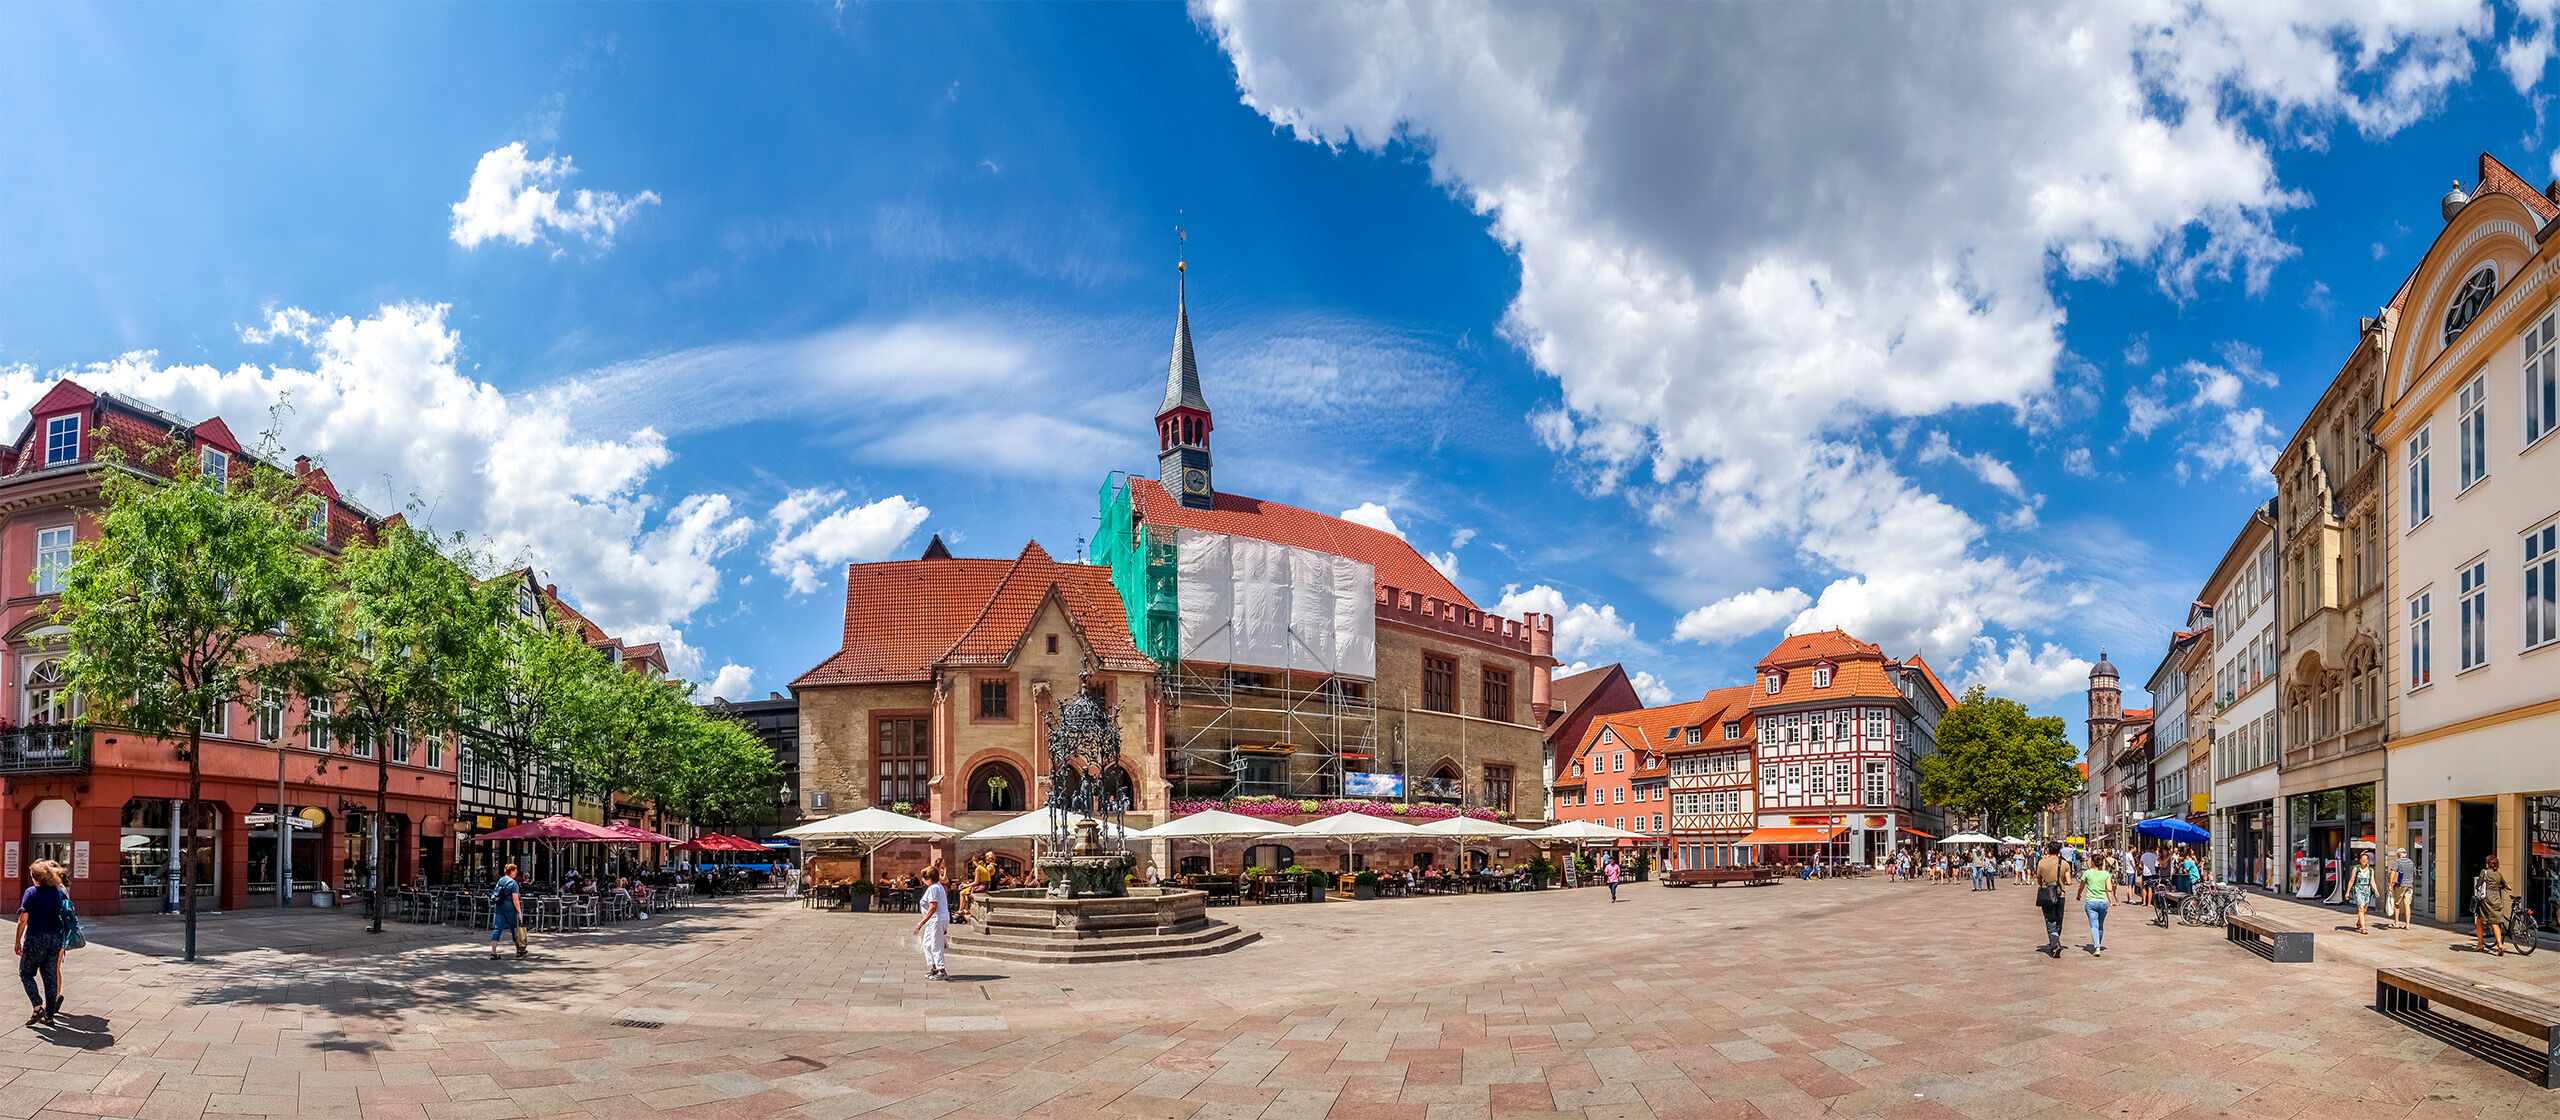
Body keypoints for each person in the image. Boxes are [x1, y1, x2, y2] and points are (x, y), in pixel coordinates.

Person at [15, 860, 68, 1026]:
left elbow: (23, 919)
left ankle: (37, 1007)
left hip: (36, 937)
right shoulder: (58, 892)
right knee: (50, 977)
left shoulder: (31, 892)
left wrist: (17, 941)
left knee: (26, 973)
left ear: (36, 878)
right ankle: (50, 1015)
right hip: (56, 938)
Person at [2033, 842, 2073, 959]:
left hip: (2047, 895)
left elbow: (2039, 881)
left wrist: (2044, 883)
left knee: (2050, 919)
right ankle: (2055, 942)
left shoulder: (2042, 863)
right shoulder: (2064, 864)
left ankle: (2055, 943)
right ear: (2059, 851)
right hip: (2060, 895)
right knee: (2058, 920)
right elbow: (2069, 882)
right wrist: (2060, 883)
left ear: (2048, 851)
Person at [912, 866, 950, 981]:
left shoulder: (934, 888)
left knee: (935, 945)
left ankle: (942, 971)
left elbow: (933, 907)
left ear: (927, 878)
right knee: (927, 944)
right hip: (936, 920)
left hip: (936, 920)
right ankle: (935, 968)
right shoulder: (937, 886)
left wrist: (920, 923)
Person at [2474, 854, 2514, 956]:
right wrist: (2506, 887)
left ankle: (2480, 945)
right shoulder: (2498, 874)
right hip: (2496, 898)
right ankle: (2500, 945)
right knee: (2495, 922)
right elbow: (2504, 884)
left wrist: (2478, 885)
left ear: (2488, 864)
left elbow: (2478, 885)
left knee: (2479, 920)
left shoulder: (2484, 872)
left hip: (2486, 898)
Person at [491, 862, 526, 959]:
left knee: (497, 929)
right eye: (515, 871)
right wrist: (519, 912)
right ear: (511, 871)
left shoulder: (500, 880)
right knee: (514, 928)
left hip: (499, 907)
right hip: (510, 909)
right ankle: (519, 950)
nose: (516, 873)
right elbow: (515, 898)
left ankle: (493, 952)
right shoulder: (513, 883)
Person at [2081, 850, 2114, 956]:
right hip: (2103, 902)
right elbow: (2109, 889)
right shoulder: (2106, 874)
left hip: (2091, 902)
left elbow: (2081, 886)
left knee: (2094, 925)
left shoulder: (2087, 873)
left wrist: (2078, 895)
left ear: (2092, 863)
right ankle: (2098, 943)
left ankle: (2097, 947)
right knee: (2100, 925)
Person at [2389, 847, 2418, 930]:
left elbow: (2392, 872)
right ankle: (2407, 924)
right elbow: (2414, 873)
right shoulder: (2411, 862)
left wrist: (2390, 884)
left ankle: (2396, 922)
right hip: (2410, 885)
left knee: (2397, 903)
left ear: (2398, 855)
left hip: (2400, 885)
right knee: (2407, 904)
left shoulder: (2398, 861)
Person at [2348, 851, 2377, 932]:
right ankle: (2363, 928)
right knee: (2360, 908)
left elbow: (2372, 881)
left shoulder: (2371, 870)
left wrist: (2376, 890)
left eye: (2365, 859)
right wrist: (2348, 892)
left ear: (2368, 861)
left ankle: (2359, 922)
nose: (2364, 861)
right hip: (2358, 889)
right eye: (2362, 859)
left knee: (2364, 909)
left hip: (2367, 890)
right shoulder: (2355, 869)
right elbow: (2351, 881)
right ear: (2360, 860)